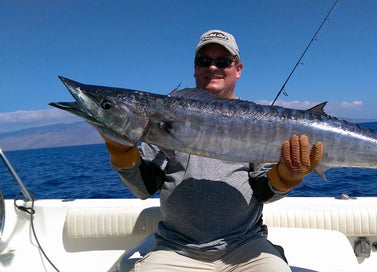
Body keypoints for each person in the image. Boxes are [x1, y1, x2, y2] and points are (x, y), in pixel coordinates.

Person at [103, 30, 323, 272]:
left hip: (245, 246)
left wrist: (287, 177)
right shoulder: (165, 115)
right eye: (204, 61)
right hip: (176, 248)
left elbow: (264, 191)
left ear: (238, 69)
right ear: (195, 69)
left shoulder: (258, 122)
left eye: (223, 61)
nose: (213, 67)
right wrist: (122, 153)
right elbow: (144, 187)